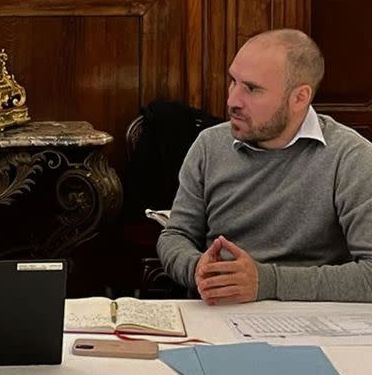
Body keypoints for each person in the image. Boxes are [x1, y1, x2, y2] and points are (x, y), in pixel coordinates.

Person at [157, 29, 372, 304]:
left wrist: (267, 282)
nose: (232, 100)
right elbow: (176, 235)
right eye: (232, 81)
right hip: (218, 314)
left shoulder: (351, 158)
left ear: (299, 98)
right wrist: (198, 268)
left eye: (252, 88)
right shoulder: (210, 146)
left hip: (310, 321)